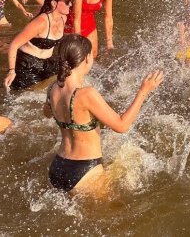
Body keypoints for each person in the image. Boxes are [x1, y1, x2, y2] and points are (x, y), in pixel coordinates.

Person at [43, 34, 163, 195]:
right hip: (85, 170)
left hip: (58, 167)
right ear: (86, 58)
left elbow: (46, 114)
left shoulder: (53, 89)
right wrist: (143, 91)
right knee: (109, 218)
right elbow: (122, 126)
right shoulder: (86, 94)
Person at [4, 0, 71, 91]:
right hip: (28, 65)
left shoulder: (63, 18)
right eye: (67, 2)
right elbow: (14, 45)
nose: (70, 4)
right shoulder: (41, 22)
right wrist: (11, 71)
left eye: (70, 1)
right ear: (54, 3)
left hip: (47, 62)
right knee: (28, 96)